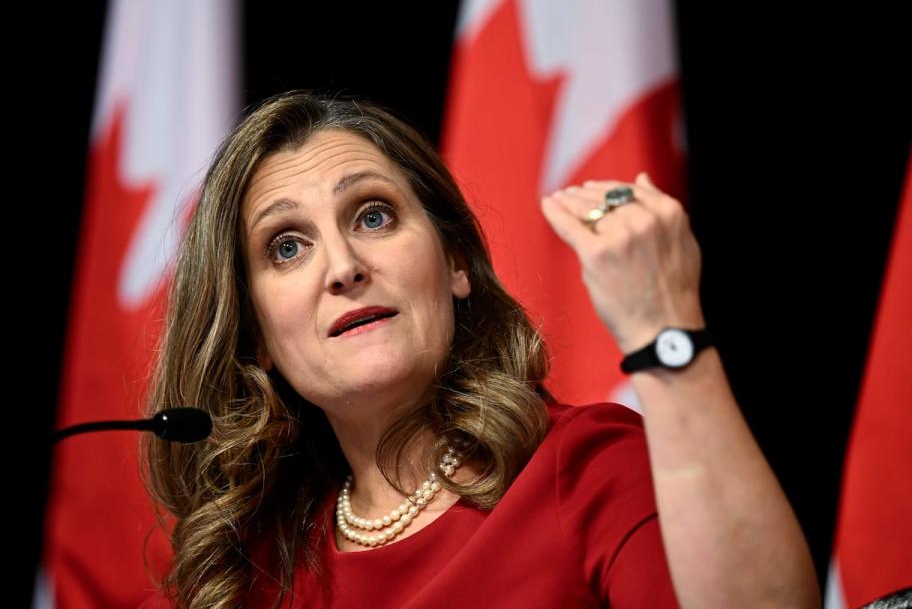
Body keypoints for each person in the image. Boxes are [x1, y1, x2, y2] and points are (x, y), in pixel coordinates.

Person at [139, 90, 820, 608]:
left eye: (373, 216)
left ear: (456, 260)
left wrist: (666, 334)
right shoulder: (248, 568)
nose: (343, 266)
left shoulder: (584, 470)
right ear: (254, 334)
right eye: (287, 246)